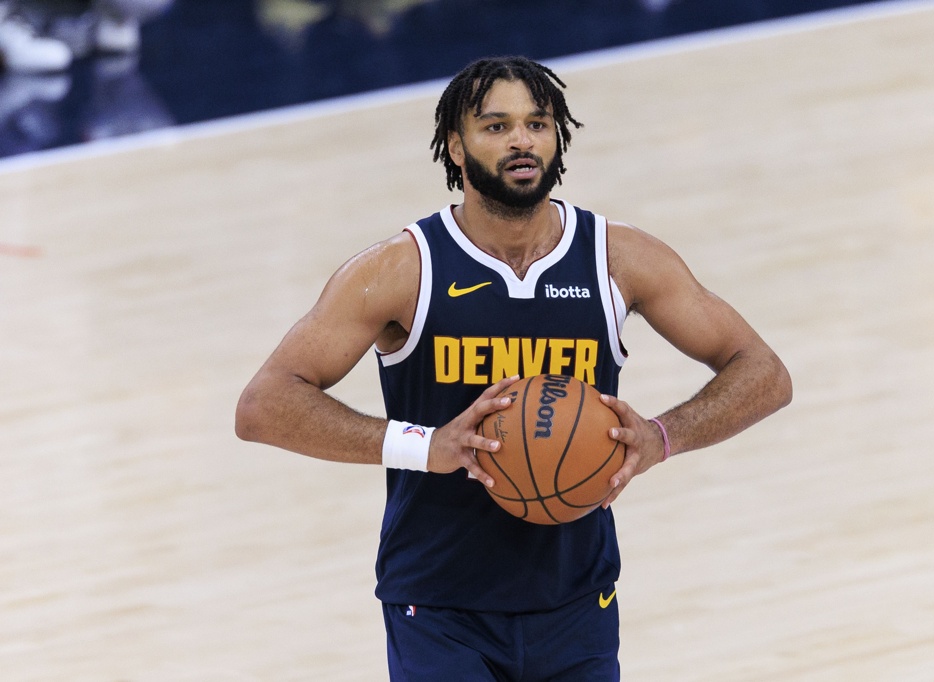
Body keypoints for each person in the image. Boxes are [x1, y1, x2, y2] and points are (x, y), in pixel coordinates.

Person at [236, 55, 792, 680]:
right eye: (496, 126)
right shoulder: (402, 269)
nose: (521, 141)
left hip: (578, 599)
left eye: (537, 123)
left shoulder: (619, 258)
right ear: (456, 146)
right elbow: (264, 406)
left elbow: (764, 373)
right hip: (439, 606)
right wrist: (426, 445)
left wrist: (662, 437)